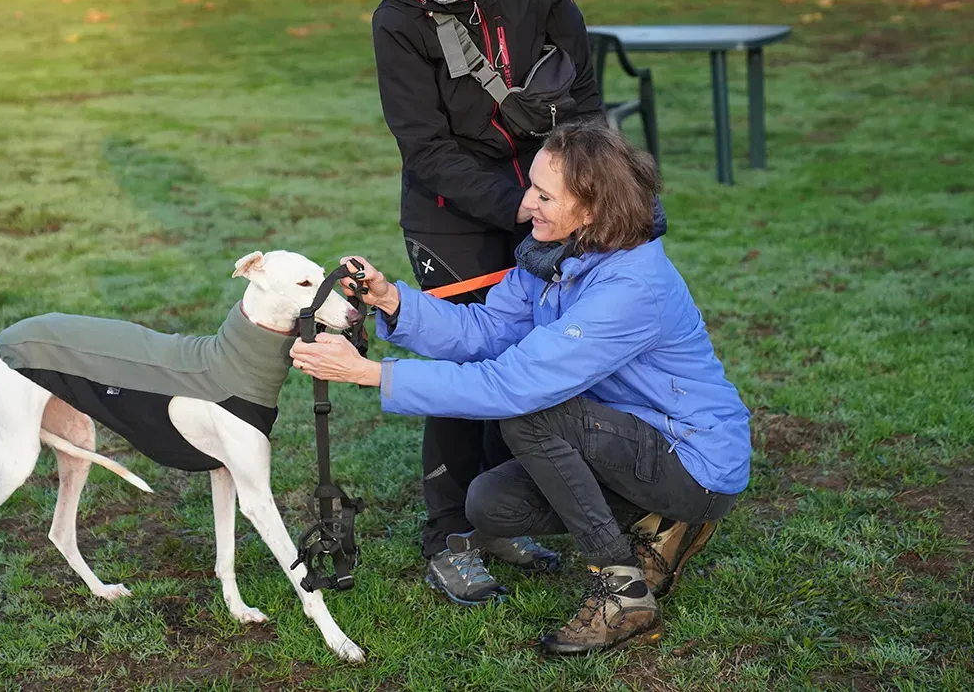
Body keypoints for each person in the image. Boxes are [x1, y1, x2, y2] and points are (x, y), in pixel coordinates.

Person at [291, 120, 752, 656]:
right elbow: (486, 332)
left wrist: (373, 374)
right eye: (531, 186)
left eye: (544, 194)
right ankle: (656, 521)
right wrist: (394, 300)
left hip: (695, 461)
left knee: (531, 413)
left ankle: (622, 590)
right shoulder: (554, 257)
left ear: (593, 207)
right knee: (491, 504)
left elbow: (512, 386)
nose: (527, 202)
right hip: (623, 442)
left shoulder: (633, 287)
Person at [368, 0, 605, 603]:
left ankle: (496, 514)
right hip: (451, 210)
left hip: (549, 199)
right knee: (463, 357)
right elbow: (425, 147)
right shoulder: (398, 20)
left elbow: (586, 96)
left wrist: (579, 196)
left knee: (531, 353)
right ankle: (447, 536)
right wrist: (525, 209)